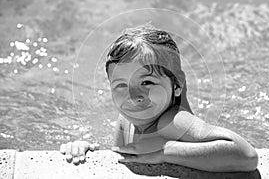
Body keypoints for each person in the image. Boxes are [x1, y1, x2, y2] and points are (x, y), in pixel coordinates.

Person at [60, 24, 258, 172]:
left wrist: (164, 151)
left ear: (177, 85)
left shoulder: (172, 120)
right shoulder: (127, 119)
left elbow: (246, 156)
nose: (133, 96)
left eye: (147, 82)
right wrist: (85, 147)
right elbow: (124, 153)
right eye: (121, 85)